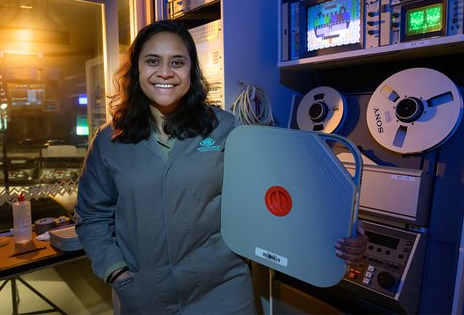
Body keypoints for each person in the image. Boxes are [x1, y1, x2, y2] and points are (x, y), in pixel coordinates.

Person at [74, 20, 368, 315]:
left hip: (222, 292)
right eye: (153, 61)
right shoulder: (109, 141)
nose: (165, 72)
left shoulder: (225, 128)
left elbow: (283, 186)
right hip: (145, 297)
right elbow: (92, 217)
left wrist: (343, 226)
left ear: (191, 70)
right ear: (137, 69)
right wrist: (118, 274)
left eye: (177, 62)